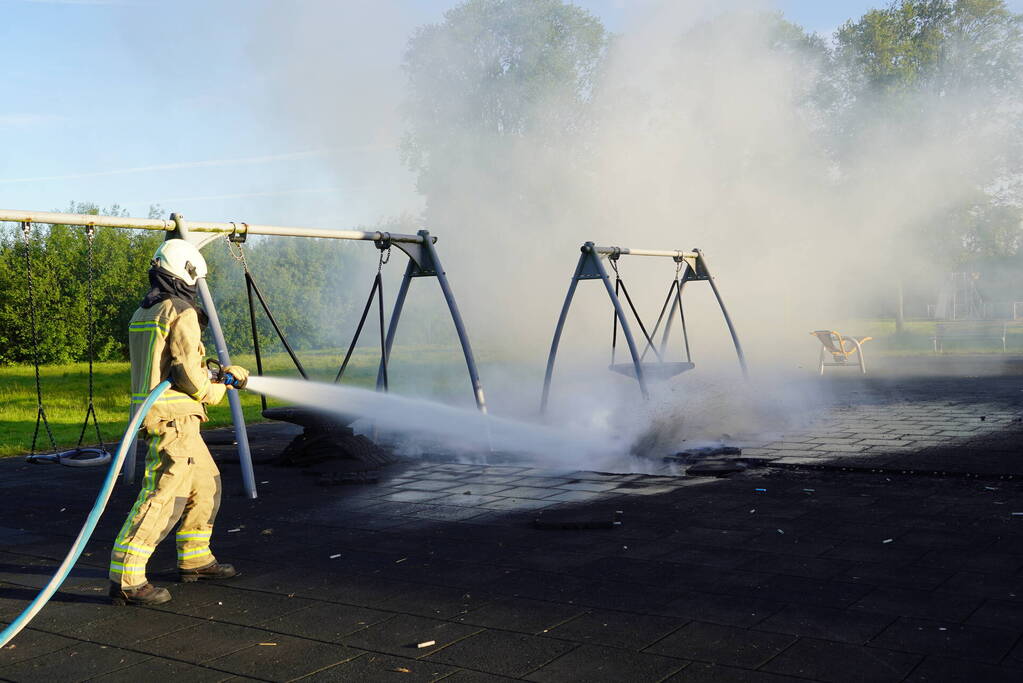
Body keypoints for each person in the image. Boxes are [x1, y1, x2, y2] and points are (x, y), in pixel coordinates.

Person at [109, 238, 249, 606]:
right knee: (164, 495)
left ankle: (195, 558)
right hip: (174, 418)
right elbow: (189, 372)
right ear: (186, 272)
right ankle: (128, 577)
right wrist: (221, 384)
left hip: (165, 415)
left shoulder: (146, 310)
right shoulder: (181, 311)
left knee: (207, 483)